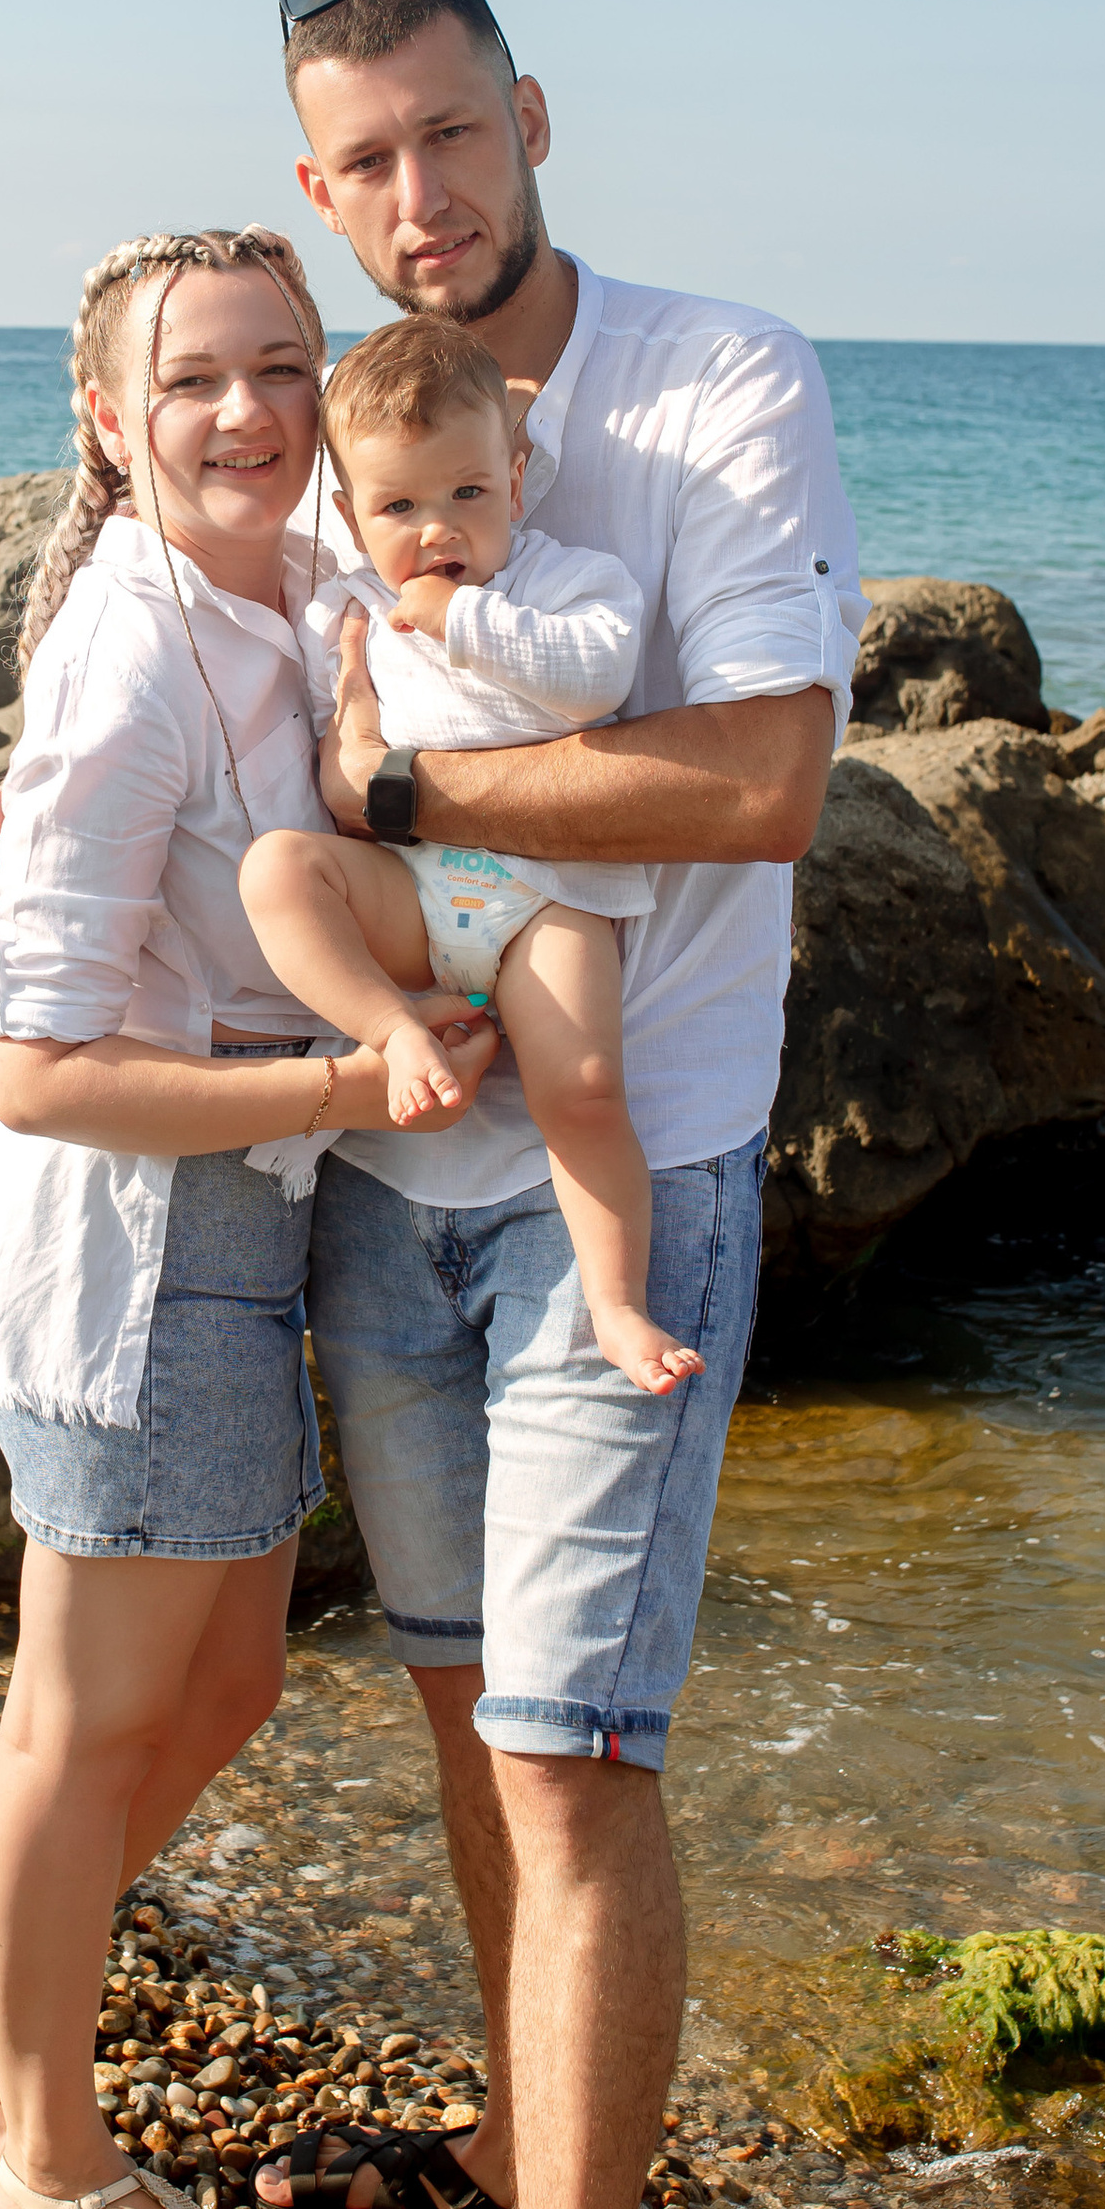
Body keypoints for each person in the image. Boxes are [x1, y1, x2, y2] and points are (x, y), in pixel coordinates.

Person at [255, 0, 865, 2209]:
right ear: (313, 185)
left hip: (641, 1170)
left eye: (451, 136)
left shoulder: (721, 385)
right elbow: (218, 659)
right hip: (400, 1169)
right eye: (365, 160)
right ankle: (523, 2144)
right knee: (462, 1708)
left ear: (534, 116)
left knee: (580, 1757)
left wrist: (403, 792)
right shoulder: (331, 441)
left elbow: (756, 782)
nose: (421, 198)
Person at [0, 221, 498, 2209]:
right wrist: (352, 1072)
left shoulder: (303, 591)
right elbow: (37, 1064)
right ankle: (40, 2164)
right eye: (195, 379)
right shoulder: (128, 649)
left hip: (248, 1221)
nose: (245, 411)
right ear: (109, 421)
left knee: (223, 1685)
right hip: (140, 1238)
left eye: (279, 367)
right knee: (77, 1718)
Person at [239, 312, 701, 1397]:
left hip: (545, 900)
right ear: (349, 514)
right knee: (276, 872)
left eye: (466, 495)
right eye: (398, 507)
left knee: (582, 1089)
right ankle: (393, 1034)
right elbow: (335, 775)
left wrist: (458, 618)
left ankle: (618, 1304)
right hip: (411, 892)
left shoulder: (568, 584)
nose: (435, 529)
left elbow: (594, 680)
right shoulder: (346, 610)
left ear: (517, 477)